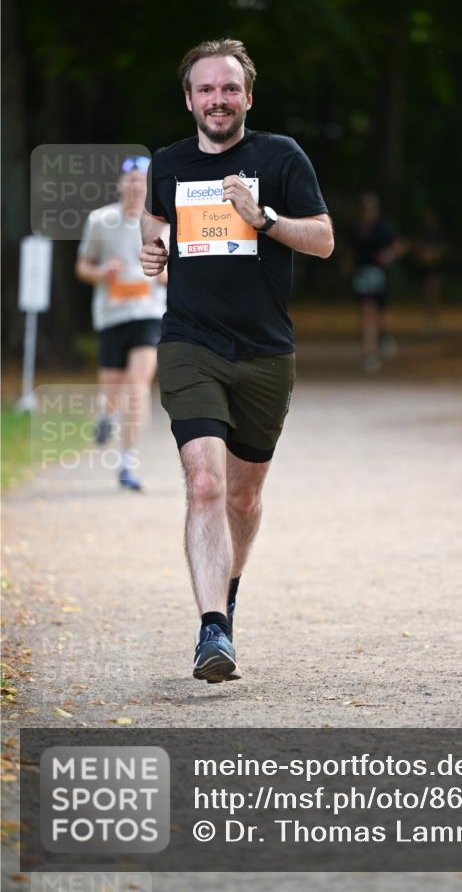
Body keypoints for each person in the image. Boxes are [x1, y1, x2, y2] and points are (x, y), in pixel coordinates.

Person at [140, 38, 333, 683]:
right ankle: (211, 631)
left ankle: (229, 592)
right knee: (204, 483)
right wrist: (154, 251)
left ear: (247, 97)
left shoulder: (280, 157)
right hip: (190, 343)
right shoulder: (167, 164)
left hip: (264, 352)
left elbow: (325, 241)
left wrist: (265, 217)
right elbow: (152, 220)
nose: (217, 100)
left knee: (245, 499)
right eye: (205, 90)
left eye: (228, 89)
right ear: (189, 98)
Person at [75, 157, 167, 491]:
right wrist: (102, 273)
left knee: (138, 385)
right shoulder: (100, 220)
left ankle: (127, 462)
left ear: (148, 186)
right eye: (128, 180)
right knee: (112, 391)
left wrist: (160, 274)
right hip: (112, 314)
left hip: (148, 313)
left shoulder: (162, 224)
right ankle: (106, 416)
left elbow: (172, 276)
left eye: (140, 180)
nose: (134, 186)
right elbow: (83, 266)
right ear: (119, 185)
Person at [349, 192, 407, 373]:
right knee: (367, 312)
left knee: (382, 312)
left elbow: (401, 244)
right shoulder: (355, 227)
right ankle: (369, 353)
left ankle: (385, 336)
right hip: (362, 275)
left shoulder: (384, 226)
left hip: (381, 274)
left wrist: (389, 255)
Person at [412, 206, 448, 333]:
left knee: (434, 291)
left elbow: (444, 249)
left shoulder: (439, 233)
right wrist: (424, 255)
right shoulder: (421, 232)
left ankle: (434, 316)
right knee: (426, 292)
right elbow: (416, 248)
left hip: (436, 268)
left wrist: (432, 255)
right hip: (424, 268)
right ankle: (428, 316)